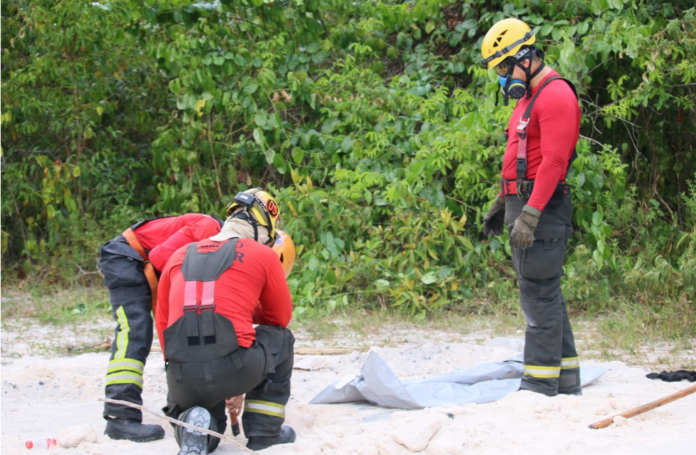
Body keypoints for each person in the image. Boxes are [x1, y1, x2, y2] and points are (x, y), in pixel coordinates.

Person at [480, 18, 582, 397]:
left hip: (543, 208)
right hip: (524, 202)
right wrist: (503, 202)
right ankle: (567, 377)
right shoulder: (529, 98)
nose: (503, 78)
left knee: (537, 293)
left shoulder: (555, 96)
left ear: (525, 58)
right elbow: (524, 158)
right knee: (545, 290)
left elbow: (553, 162)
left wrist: (532, 213)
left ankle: (540, 383)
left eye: (504, 68)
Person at [156, 188, 297, 454]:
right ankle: (264, 432)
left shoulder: (179, 255)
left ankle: (193, 424)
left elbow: (163, 322)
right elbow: (279, 318)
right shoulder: (263, 254)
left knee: (208, 425)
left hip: (182, 375)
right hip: (235, 366)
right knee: (281, 338)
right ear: (261, 226)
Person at [99, 213, 224, 442]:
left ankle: (175, 403)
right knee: (134, 330)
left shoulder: (220, 244)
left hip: (142, 264)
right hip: (126, 257)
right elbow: (159, 257)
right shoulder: (209, 228)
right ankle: (120, 417)